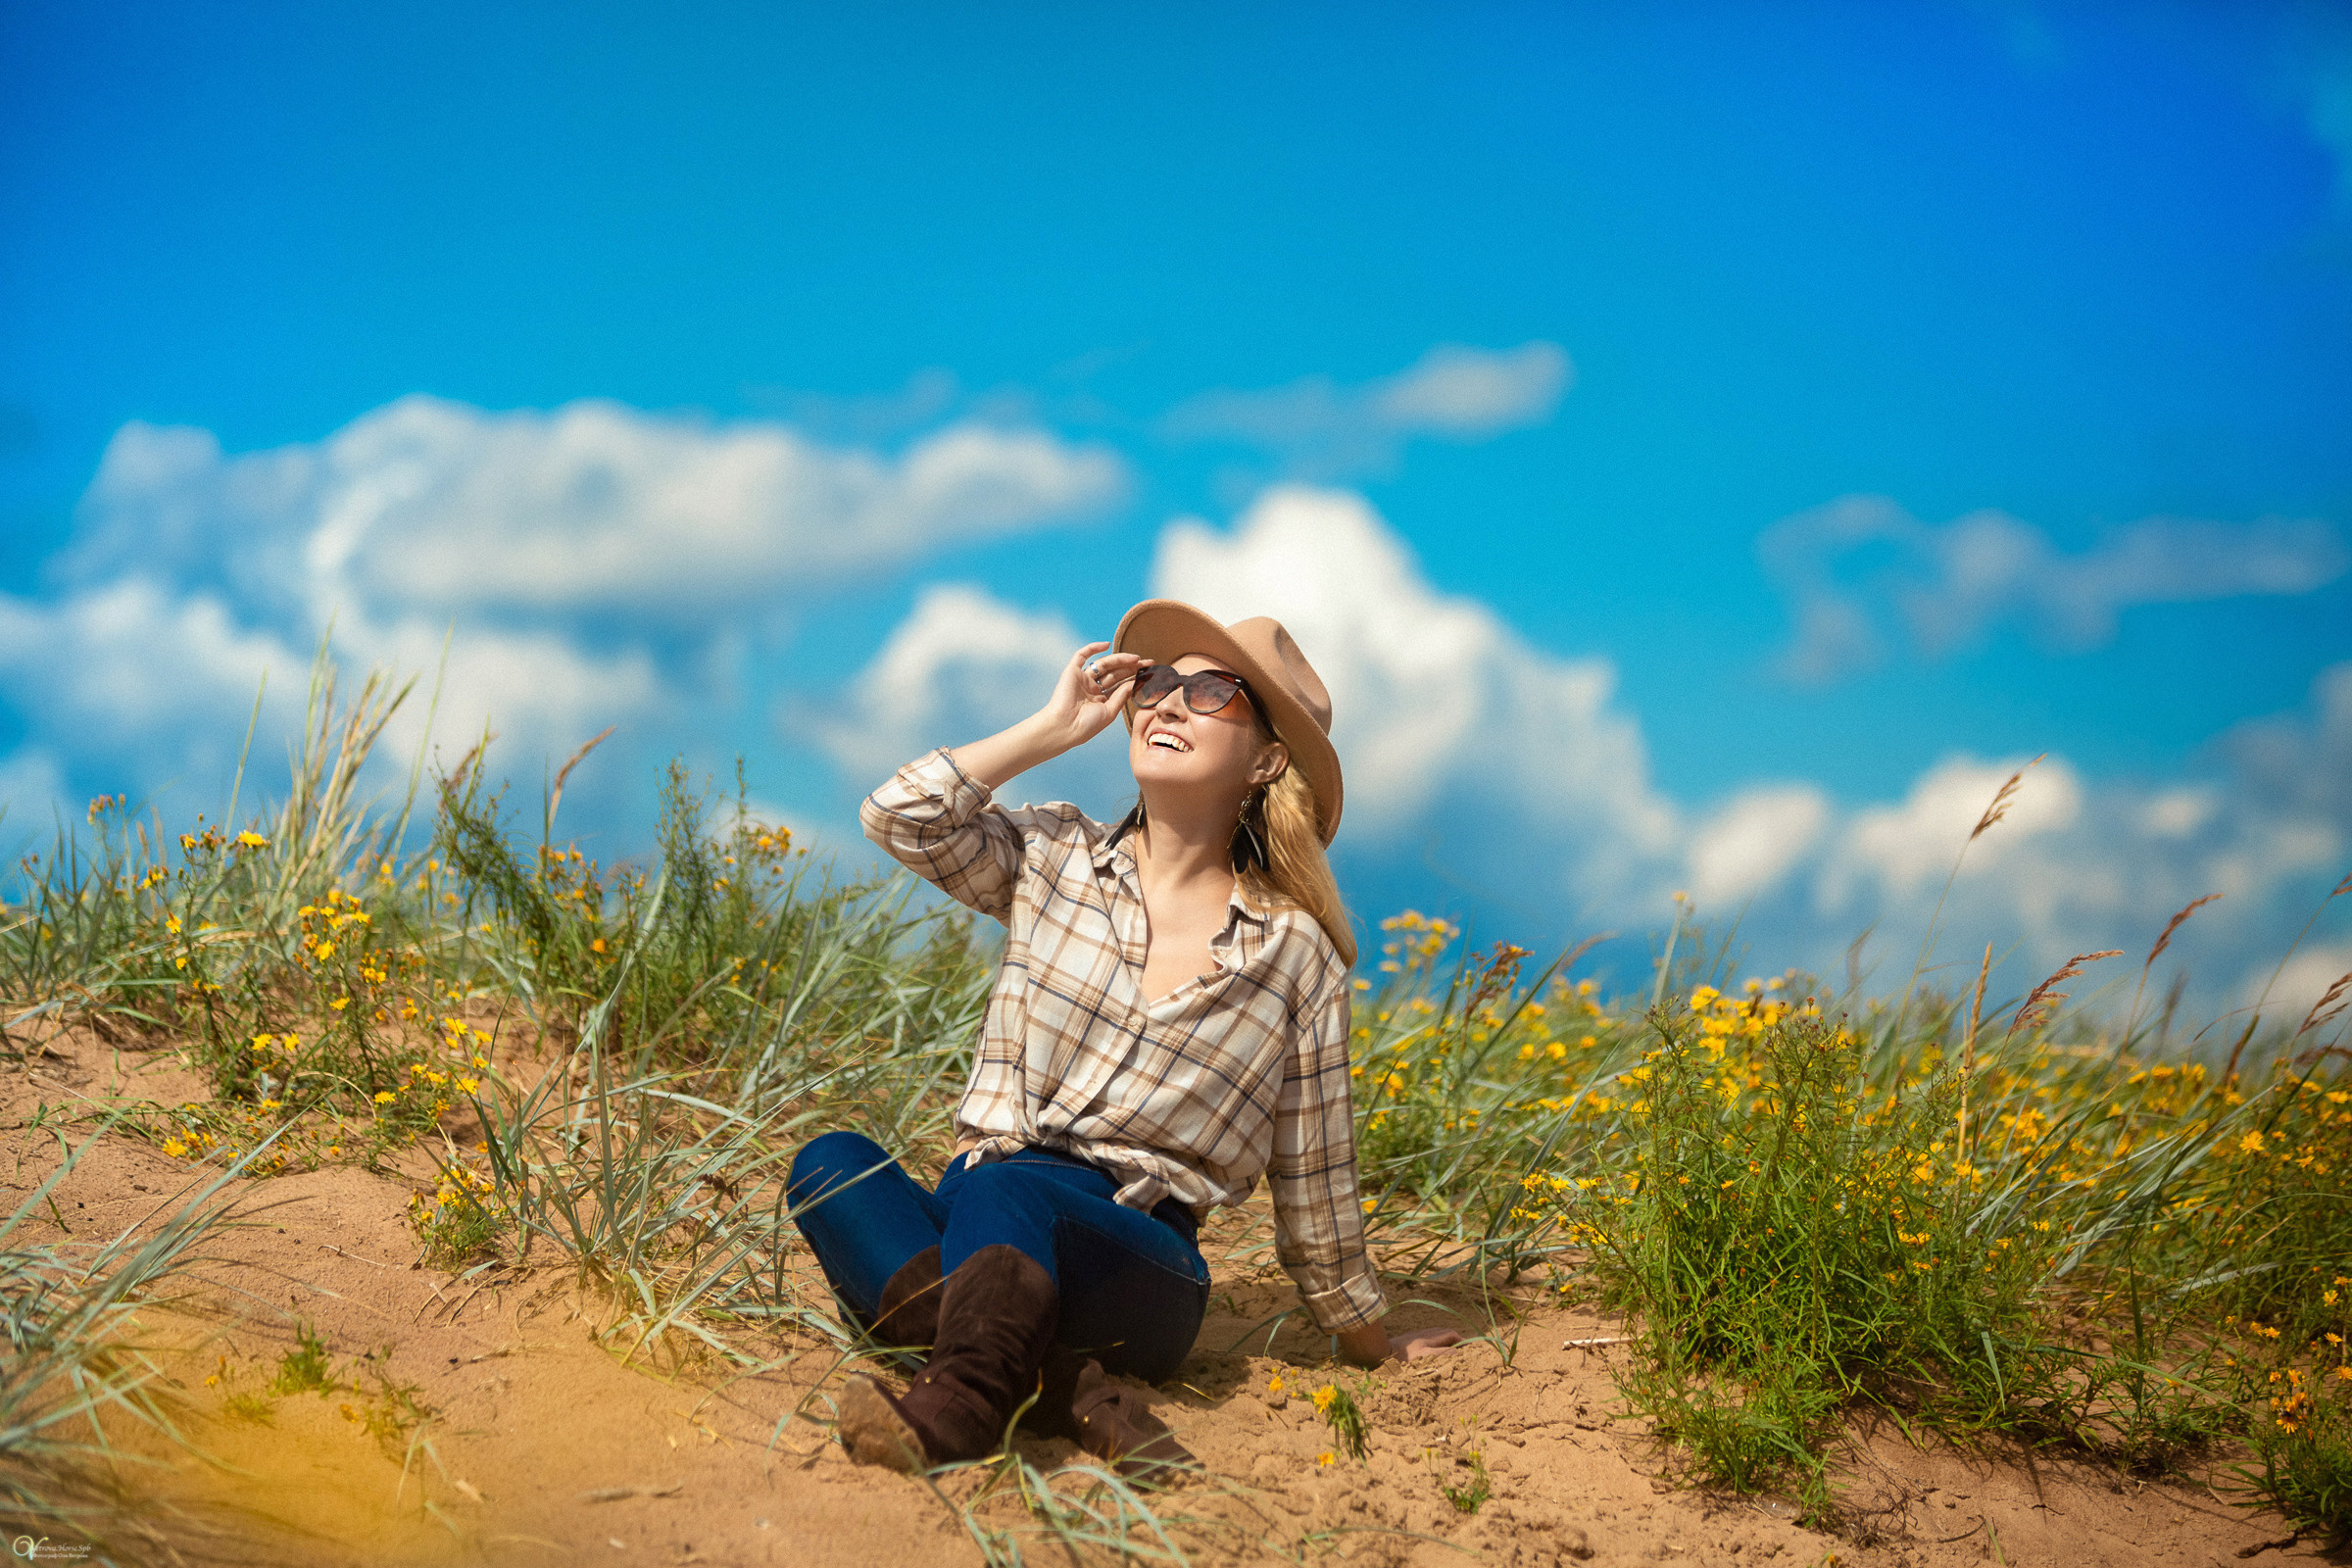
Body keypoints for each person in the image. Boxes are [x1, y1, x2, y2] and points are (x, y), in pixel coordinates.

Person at [787, 598, 1458, 1480]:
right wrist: (1052, 727)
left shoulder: (1295, 951)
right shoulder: (1054, 857)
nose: (1168, 702)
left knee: (1009, 1195)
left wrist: (1370, 1338)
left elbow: (1315, 1173)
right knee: (833, 1163)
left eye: (1212, 690)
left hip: (1139, 1264)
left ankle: (958, 1413)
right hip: (988, 1217)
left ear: (1266, 759)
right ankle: (1067, 1391)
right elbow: (899, 816)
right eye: (1156, 682)